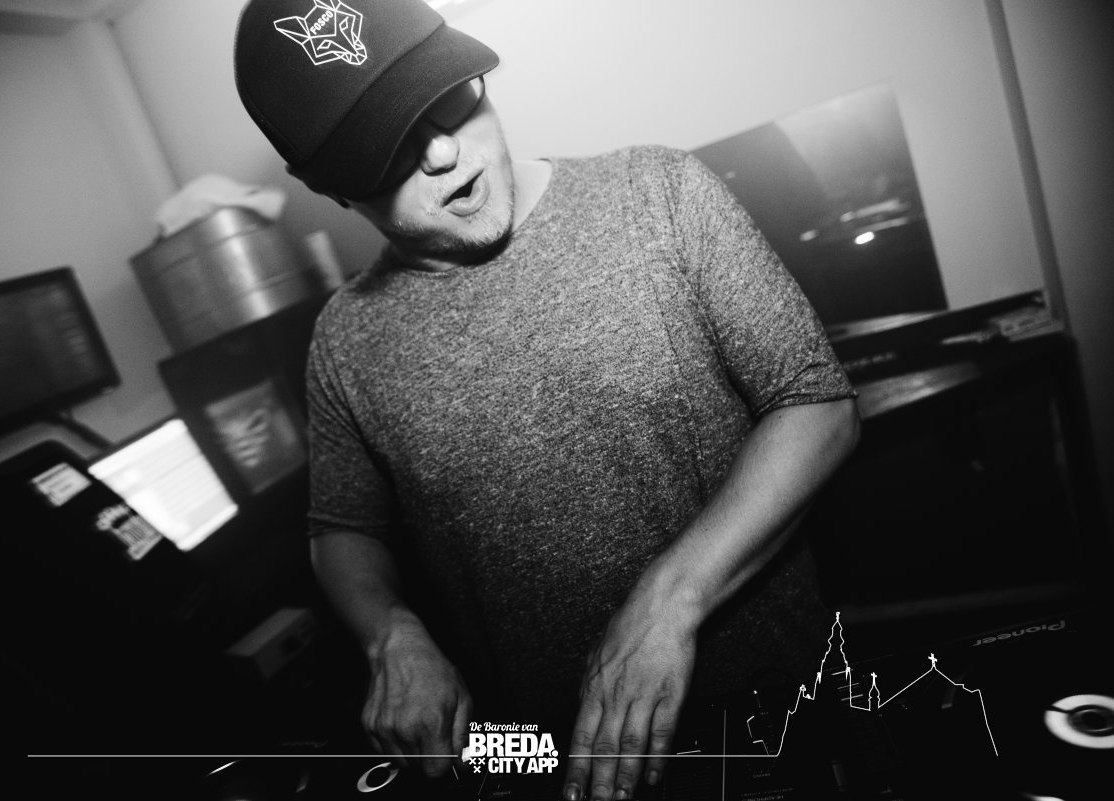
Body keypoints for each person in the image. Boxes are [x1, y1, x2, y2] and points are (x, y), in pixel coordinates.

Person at [234, 2, 860, 800]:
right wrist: (390, 631)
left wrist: (669, 601)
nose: (442, 150)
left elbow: (819, 405)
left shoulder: (659, 192)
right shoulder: (343, 340)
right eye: (386, 147)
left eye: (446, 96)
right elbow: (341, 529)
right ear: (328, 187)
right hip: (540, 765)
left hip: (770, 722)